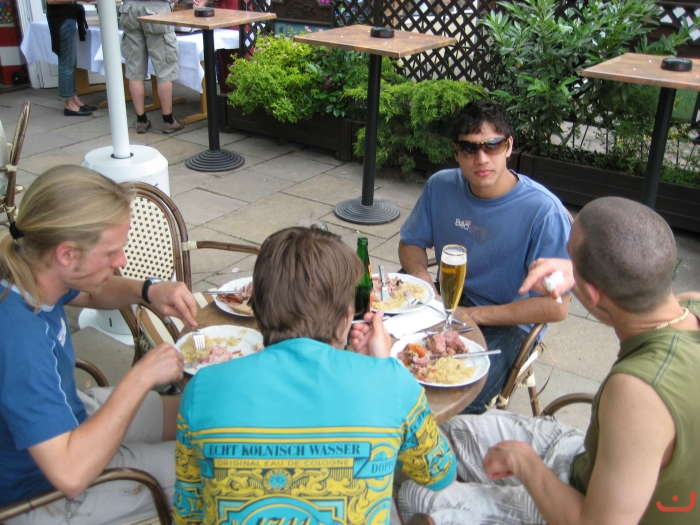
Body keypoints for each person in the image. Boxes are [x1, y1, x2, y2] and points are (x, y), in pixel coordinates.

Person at [399, 196, 700, 525]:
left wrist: (526, 463)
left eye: (569, 257)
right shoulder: (689, 306)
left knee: (415, 494)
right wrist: (578, 272)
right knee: (441, 436)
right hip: (585, 458)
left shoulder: (638, 392)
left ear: (593, 294)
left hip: (586, 508)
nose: (563, 263)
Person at [173, 226, 456, 524]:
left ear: (256, 306)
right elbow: (440, 474)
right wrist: (382, 367)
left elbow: (188, 514)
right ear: (347, 315)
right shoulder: (392, 383)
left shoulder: (203, 388)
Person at [0, 165, 199, 523]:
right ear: (67, 254)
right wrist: (140, 377)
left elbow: (92, 293)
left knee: (197, 413)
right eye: (111, 253)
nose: (121, 261)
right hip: (39, 490)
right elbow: (71, 474)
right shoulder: (20, 341)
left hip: (66, 419)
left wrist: (148, 290)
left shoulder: (27, 266)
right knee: (213, 461)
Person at [399, 100, 571, 414]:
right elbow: (411, 243)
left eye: (492, 146)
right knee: (383, 355)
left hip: (511, 321)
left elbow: (555, 307)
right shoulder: (441, 186)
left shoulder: (544, 212)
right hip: (447, 300)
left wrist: (471, 315)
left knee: (457, 397)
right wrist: (423, 281)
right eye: (469, 149)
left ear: (509, 147)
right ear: (456, 153)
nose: (481, 159)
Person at [119, 0, 187, 134]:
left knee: (134, 70)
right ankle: (168, 120)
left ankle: (141, 120)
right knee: (165, 69)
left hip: (129, 9)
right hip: (156, 9)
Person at [46, 0, 97, 117]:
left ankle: (74, 99)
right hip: (61, 19)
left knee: (71, 62)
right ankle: (69, 104)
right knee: (67, 62)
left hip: (68, 17)